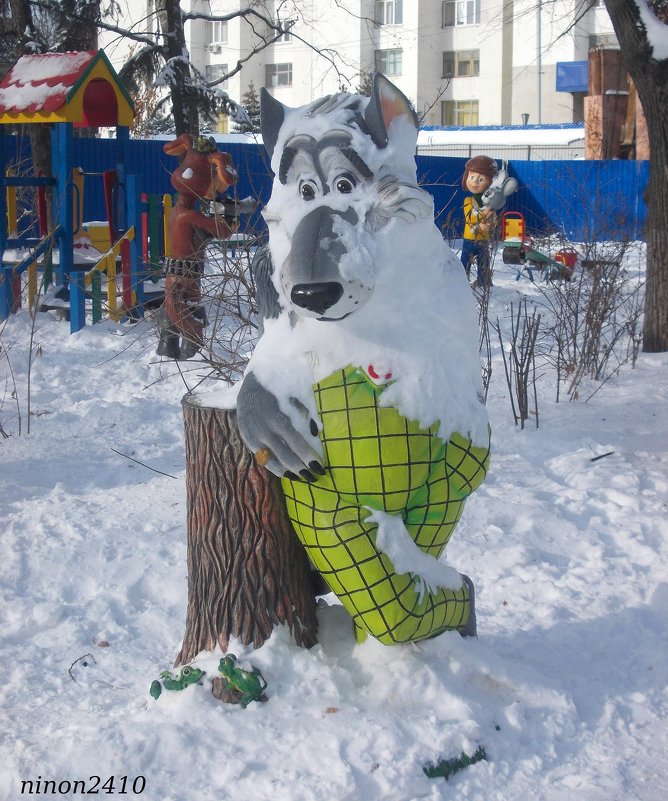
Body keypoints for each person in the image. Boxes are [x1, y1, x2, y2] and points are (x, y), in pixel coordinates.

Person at [460, 155, 499, 287]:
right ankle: (461, 282)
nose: (475, 182)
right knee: (465, 262)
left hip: (483, 238)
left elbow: (493, 222)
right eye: (472, 177)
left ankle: (484, 283)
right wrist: (484, 213)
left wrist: (491, 221)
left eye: (481, 179)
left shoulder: (489, 203)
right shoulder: (468, 201)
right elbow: (470, 217)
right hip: (469, 238)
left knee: (484, 263)